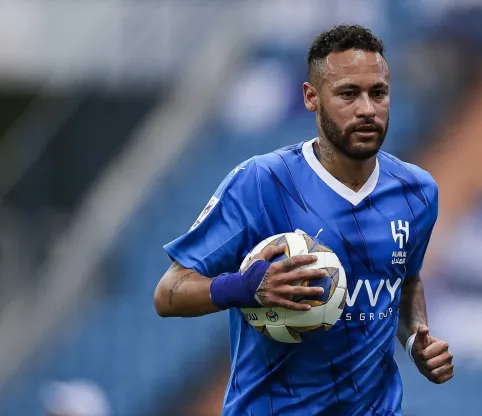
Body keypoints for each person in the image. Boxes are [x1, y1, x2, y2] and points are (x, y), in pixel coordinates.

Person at [153, 24, 454, 416]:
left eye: (378, 93)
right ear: (312, 97)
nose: (367, 109)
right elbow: (168, 293)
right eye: (348, 93)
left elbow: (405, 281)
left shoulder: (417, 191)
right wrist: (242, 288)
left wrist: (415, 340)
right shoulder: (261, 182)